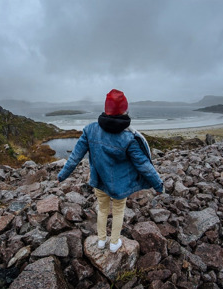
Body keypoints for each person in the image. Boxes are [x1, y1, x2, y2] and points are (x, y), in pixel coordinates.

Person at [58, 89, 164, 253]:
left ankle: (101, 240)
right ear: (124, 110)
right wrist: (158, 185)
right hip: (119, 186)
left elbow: (74, 157)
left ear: (106, 108)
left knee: (102, 210)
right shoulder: (129, 138)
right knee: (118, 211)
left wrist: (62, 175)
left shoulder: (90, 130)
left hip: (99, 181)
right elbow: (143, 165)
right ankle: (114, 243)